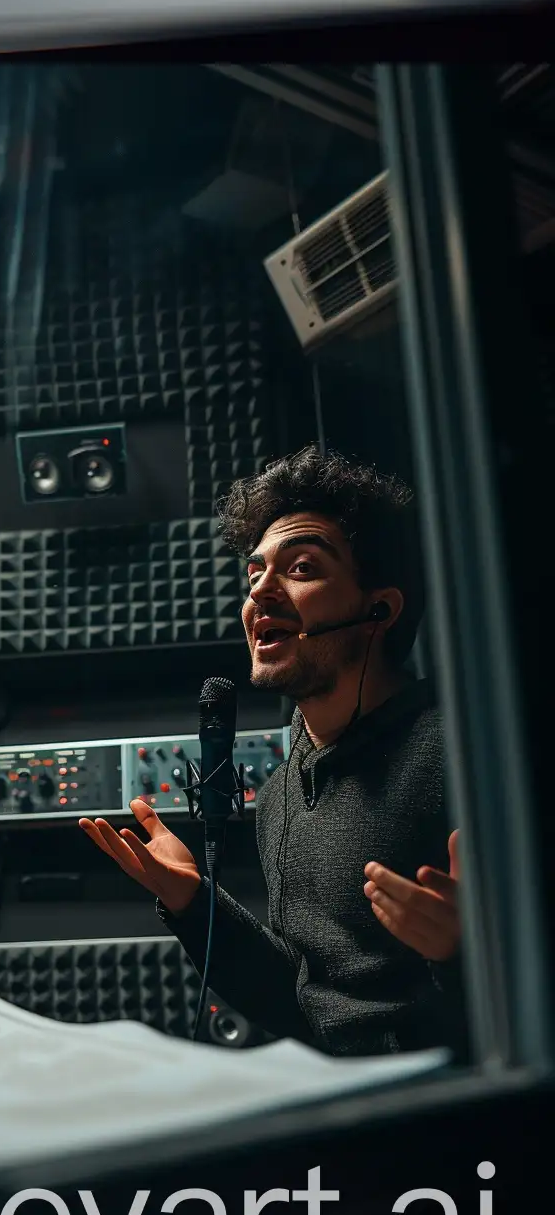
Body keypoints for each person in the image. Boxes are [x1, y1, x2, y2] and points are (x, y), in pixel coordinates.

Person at [80, 447, 464, 1058]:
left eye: (301, 568)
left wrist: (466, 953)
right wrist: (192, 901)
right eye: (254, 574)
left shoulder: (461, 755)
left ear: (379, 609)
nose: (261, 594)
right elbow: (298, 999)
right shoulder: (286, 788)